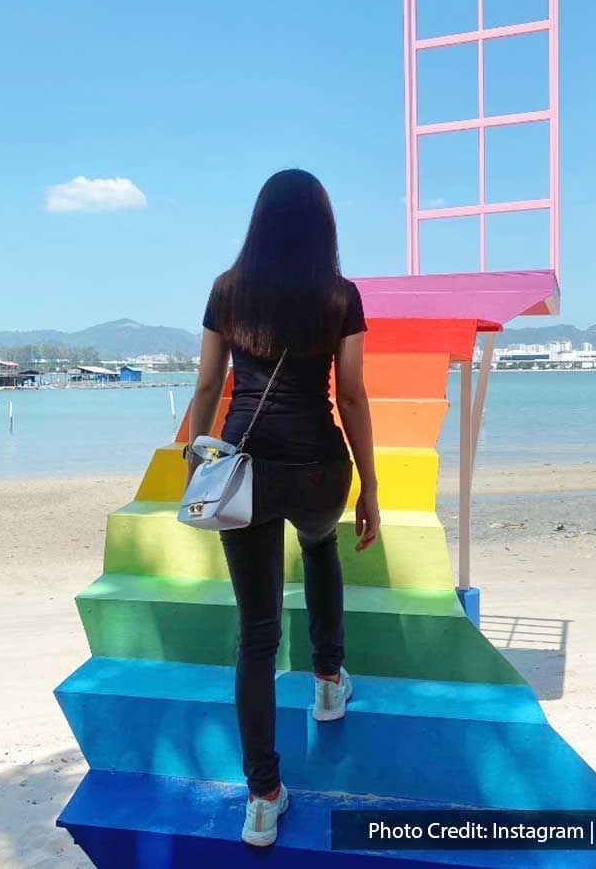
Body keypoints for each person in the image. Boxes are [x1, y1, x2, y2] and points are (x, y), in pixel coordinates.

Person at [183, 168, 380, 847]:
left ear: (259, 223)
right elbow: (350, 394)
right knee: (321, 545)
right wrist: (372, 488)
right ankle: (329, 677)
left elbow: (210, 383)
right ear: (324, 226)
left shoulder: (227, 291)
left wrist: (191, 457)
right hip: (320, 467)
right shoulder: (340, 296)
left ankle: (262, 796)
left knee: (256, 633)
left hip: (244, 471)